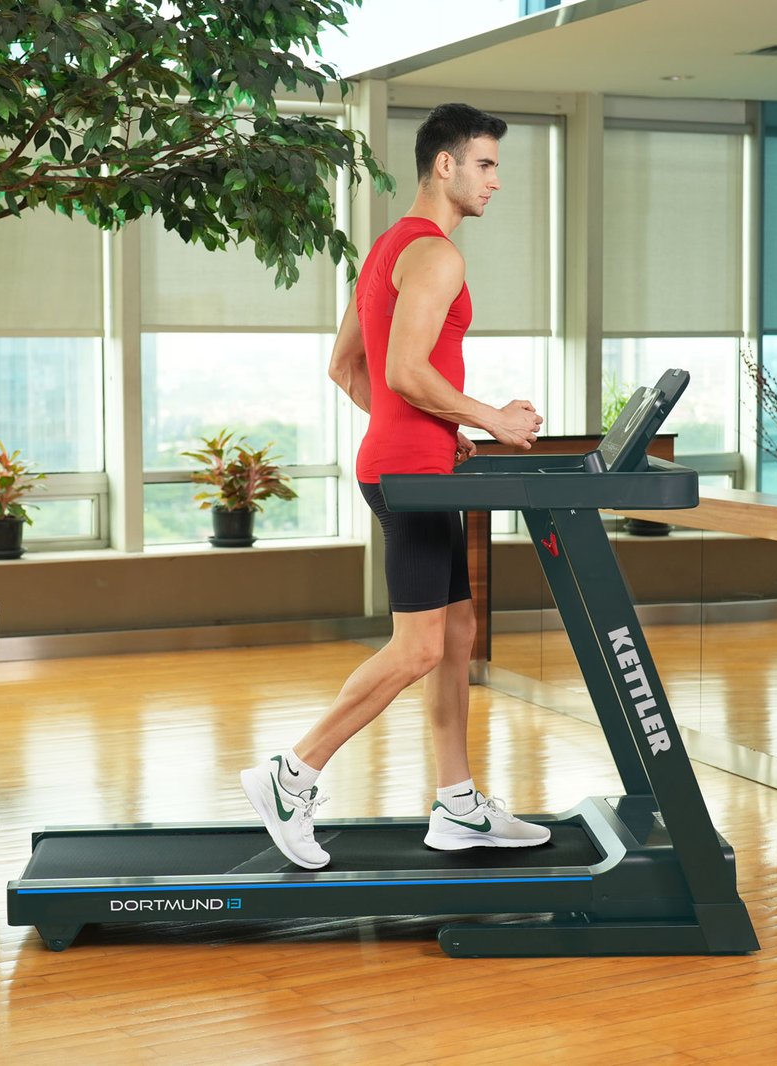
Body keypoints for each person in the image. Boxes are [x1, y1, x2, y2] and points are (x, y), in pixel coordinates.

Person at [239, 103, 550, 870]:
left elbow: (347, 367)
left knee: (456, 634)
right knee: (418, 648)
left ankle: (458, 804)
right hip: (414, 478)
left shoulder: (386, 250)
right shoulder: (438, 256)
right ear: (445, 165)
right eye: (485, 164)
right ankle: (291, 775)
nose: (495, 181)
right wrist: (489, 419)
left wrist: (436, 430)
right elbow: (406, 372)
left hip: (409, 464)